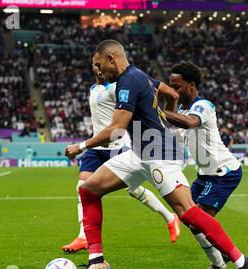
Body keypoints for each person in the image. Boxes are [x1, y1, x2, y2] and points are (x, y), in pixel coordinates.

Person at [65, 40, 248, 269]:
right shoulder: (139, 77)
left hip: (159, 154)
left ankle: (243, 263)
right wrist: (160, 118)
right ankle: (96, 261)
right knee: (89, 190)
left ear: (112, 58)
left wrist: (81, 145)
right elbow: (172, 95)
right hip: (139, 152)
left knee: (188, 213)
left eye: (100, 66)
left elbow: (117, 130)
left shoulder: (129, 81)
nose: (99, 72)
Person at [61, 65, 180, 253]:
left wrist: (164, 102)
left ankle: (169, 217)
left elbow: (151, 88)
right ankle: (83, 236)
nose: (97, 68)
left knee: (133, 190)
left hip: (118, 146)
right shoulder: (94, 89)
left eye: (100, 65)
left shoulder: (116, 87)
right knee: (82, 188)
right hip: (96, 149)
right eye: (94, 65)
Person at [163, 62, 244, 269]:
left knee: (202, 221)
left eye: (176, 86)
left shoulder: (203, 106)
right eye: (170, 86)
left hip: (223, 173)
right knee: (189, 219)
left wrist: (159, 111)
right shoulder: (181, 110)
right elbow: (172, 130)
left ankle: (235, 262)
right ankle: (224, 259)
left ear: (191, 85)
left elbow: (189, 123)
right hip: (205, 174)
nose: (173, 90)